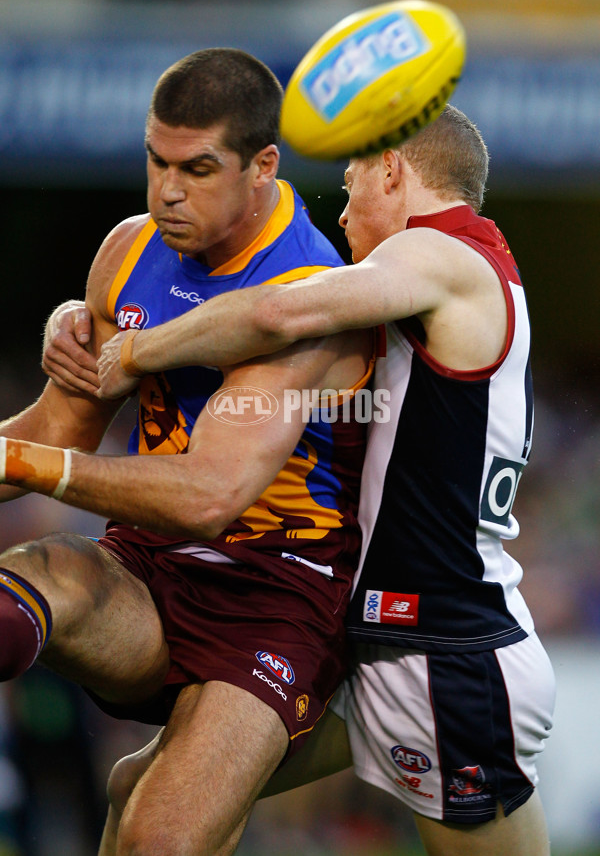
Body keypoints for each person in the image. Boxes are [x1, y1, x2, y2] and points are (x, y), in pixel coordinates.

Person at [44, 104, 556, 856]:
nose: (342, 211)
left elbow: (284, 308)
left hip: (443, 652)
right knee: (146, 795)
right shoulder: (439, 276)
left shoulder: (441, 254)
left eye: (351, 184)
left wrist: (136, 350)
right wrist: (77, 312)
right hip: (381, 641)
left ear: (394, 171)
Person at [0, 47, 375, 856]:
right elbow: (56, 431)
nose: (167, 191)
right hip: (150, 563)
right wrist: (22, 453)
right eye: (156, 161)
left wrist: (32, 469)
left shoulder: (311, 292)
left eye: (198, 168)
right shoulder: (129, 251)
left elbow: (211, 495)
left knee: (158, 833)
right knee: (32, 580)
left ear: (263, 166)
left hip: (279, 589)